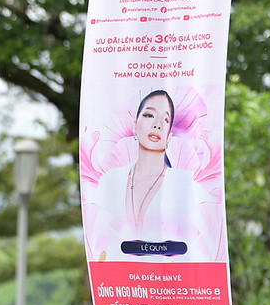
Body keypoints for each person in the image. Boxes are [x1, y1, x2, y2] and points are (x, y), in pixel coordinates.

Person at [86, 90, 225, 263]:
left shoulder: (186, 184)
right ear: (135, 126)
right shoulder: (111, 180)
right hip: (120, 283)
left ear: (169, 135)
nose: (158, 125)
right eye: (150, 115)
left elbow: (202, 249)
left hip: (172, 282)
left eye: (165, 119)